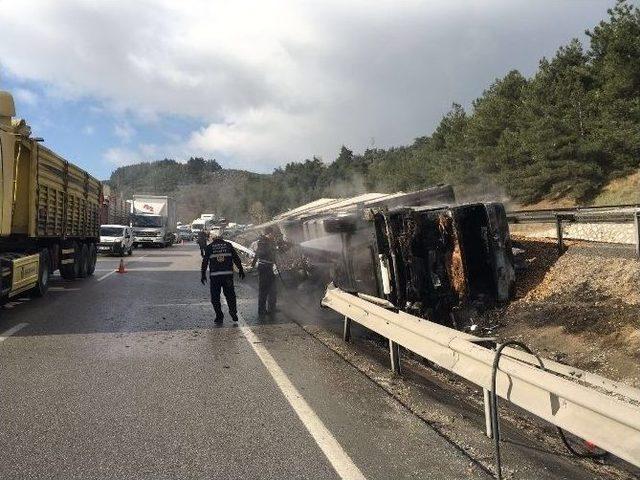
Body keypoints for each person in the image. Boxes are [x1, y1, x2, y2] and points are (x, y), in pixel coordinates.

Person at [201, 230, 245, 324]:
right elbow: (236, 258)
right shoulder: (228, 245)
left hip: (215, 277)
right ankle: (233, 312)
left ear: (212, 238)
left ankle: (219, 316)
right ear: (221, 237)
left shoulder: (209, 247)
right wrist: (241, 269)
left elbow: (205, 262)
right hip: (227, 276)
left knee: (215, 298)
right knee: (230, 296)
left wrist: (203, 274)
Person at [251, 227, 278, 316]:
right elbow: (260, 253)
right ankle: (262, 310)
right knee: (264, 290)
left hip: (269, 268)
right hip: (264, 268)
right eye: (272, 234)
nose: (273, 235)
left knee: (273, 289)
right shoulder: (263, 242)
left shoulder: (269, 242)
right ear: (268, 234)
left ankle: (271, 308)